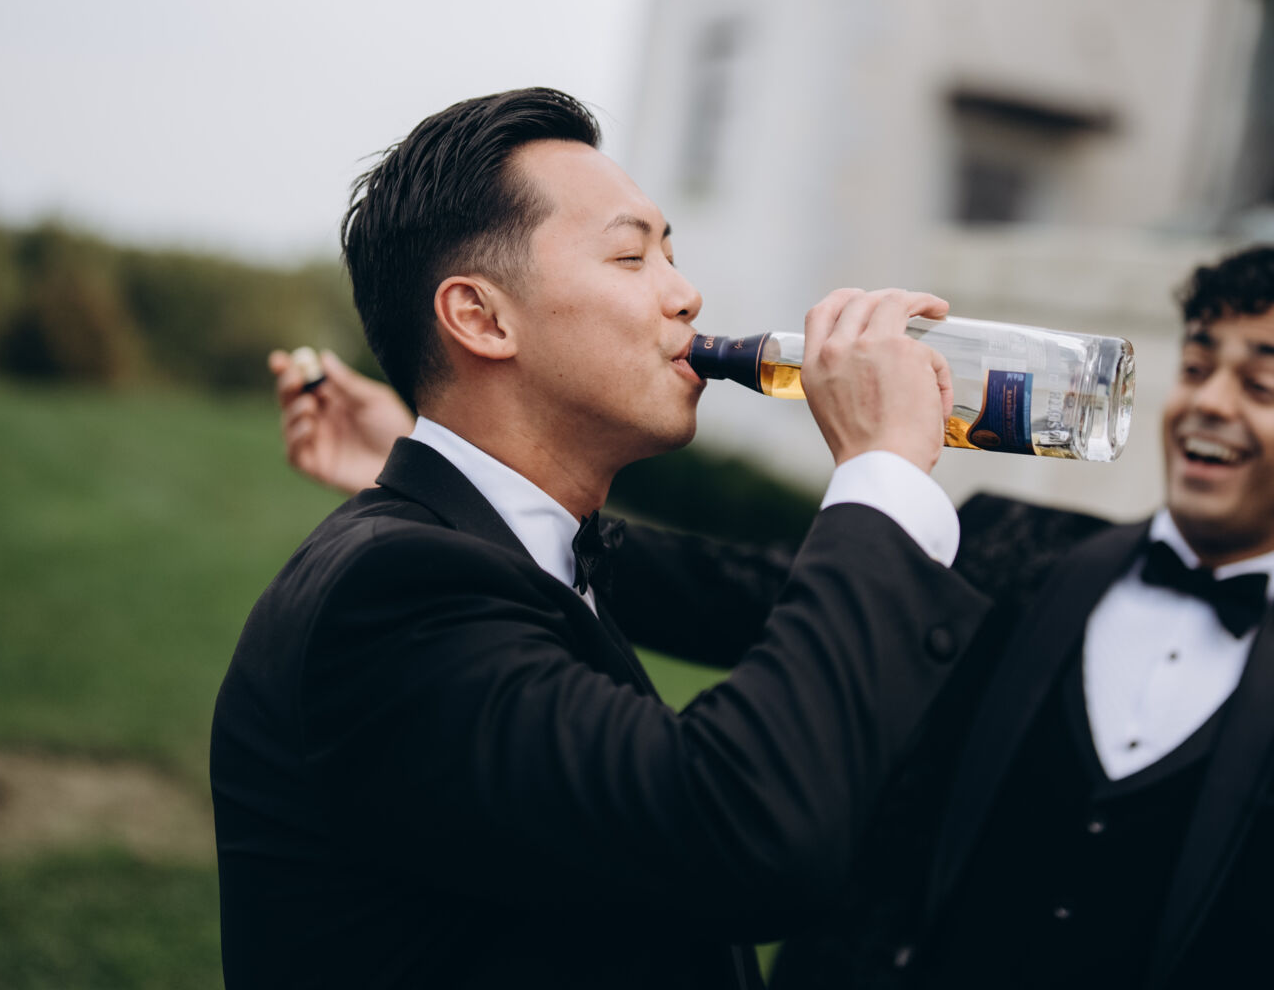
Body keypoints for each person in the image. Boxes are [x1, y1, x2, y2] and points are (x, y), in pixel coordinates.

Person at [267, 246, 1274, 986]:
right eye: (1200, 362)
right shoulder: (1001, 546)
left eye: (1263, 378)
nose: (1208, 399)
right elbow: (750, 597)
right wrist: (481, 477)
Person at [210, 87, 991, 989]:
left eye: (673, 255)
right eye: (631, 256)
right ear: (481, 319)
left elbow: (741, 597)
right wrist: (879, 469)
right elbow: (741, 828)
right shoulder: (390, 599)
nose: (686, 294)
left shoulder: (500, 551)